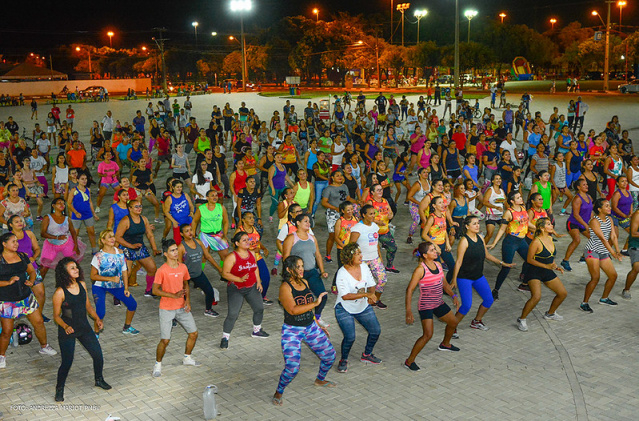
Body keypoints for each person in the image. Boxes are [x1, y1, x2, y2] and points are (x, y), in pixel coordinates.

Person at [272, 256, 336, 406]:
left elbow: (308, 310)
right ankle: (279, 391)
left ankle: (320, 380)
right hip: (292, 331)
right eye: (298, 267)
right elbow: (293, 310)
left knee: (330, 356)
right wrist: (315, 303)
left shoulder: (305, 282)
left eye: (302, 266)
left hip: (310, 327)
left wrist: (317, 324)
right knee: (292, 368)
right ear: (288, 270)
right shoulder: (285, 288)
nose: (301, 269)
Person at [52, 257, 110, 402]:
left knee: (98, 355)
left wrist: (97, 318)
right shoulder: (60, 292)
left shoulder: (82, 284)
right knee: (67, 361)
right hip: (68, 330)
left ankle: (99, 379)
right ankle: (59, 389)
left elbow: (88, 306)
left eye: (76, 266)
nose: (76, 269)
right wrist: (65, 326)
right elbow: (56, 316)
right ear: (64, 272)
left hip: (83, 327)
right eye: (72, 268)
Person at [0, 232, 58, 370]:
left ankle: (44, 346)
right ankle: (1, 355)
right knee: (7, 331)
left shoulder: (22, 256)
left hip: (26, 297)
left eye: (16, 241)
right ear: (4, 244)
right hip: (7, 300)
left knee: (38, 322)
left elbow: (31, 271)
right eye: (13, 241)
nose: (16, 243)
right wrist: (7, 282)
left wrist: (31, 281)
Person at [450, 215, 512, 335]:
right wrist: (454, 279)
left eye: (478, 223)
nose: (477, 225)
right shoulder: (464, 241)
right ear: (467, 226)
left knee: (489, 300)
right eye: (474, 224)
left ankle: (476, 321)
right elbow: (458, 262)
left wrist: (502, 263)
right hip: (465, 278)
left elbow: (487, 255)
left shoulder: (480, 238)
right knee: (467, 305)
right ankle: (452, 326)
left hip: (478, 276)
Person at [404, 241, 461, 371]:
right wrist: (408, 311)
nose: (436, 252)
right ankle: (409, 361)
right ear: (425, 255)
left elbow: (445, 284)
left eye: (434, 249)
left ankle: (445, 344)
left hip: (438, 302)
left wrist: (453, 296)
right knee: (428, 335)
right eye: (432, 250)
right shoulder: (420, 269)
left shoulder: (438, 265)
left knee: (453, 322)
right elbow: (409, 290)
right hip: (426, 305)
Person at [151, 239, 201, 378]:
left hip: (181, 307)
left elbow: (186, 284)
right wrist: (172, 295)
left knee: (193, 333)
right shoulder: (162, 271)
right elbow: (155, 290)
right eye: (172, 250)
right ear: (165, 254)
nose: (176, 252)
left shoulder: (183, 267)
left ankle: (187, 358)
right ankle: (158, 365)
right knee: (165, 340)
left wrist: (187, 301)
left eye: (176, 249)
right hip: (166, 308)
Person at [333, 242, 382, 373]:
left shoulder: (364, 267)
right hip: (344, 308)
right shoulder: (342, 273)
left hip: (362, 306)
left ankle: (367, 354)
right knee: (350, 337)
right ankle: (343, 359)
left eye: (360, 252)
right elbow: (345, 296)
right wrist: (367, 294)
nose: (361, 256)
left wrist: (371, 295)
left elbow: (372, 284)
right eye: (358, 254)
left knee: (375, 331)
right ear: (349, 257)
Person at [516, 218, 567, 332]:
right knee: (536, 297)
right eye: (549, 224)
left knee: (562, 293)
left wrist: (554, 266)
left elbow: (550, 257)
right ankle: (522, 319)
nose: (552, 225)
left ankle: (550, 313)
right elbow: (529, 260)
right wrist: (546, 266)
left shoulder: (550, 238)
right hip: (534, 272)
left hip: (547, 270)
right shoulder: (536, 242)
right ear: (542, 228)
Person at [220, 232, 269, 349]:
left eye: (248, 239)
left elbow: (255, 268)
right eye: (244, 240)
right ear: (237, 243)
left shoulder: (252, 253)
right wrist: (239, 279)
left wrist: (258, 281)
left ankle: (256, 330)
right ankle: (225, 337)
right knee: (233, 314)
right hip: (236, 288)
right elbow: (225, 274)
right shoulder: (232, 257)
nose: (248, 242)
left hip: (251, 286)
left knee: (259, 308)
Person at [282, 214, 330, 327]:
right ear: (298, 223)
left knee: (322, 296)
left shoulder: (312, 238)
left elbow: (318, 255)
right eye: (305, 221)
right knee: (302, 299)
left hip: (312, 272)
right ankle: (302, 320)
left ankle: (317, 317)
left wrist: (322, 271)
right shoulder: (291, 238)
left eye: (309, 221)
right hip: (298, 275)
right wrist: (290, 274)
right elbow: (286, 257)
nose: (309, 223)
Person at [91, 230, 139, 335]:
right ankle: (95, 333)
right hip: (99, 286)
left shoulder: (120, 253)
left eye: (113, 236)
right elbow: (93, 276)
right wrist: (110, 279)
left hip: (117, 285)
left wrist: (126, 288)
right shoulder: (98, 256)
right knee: (100, 312)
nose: (113, 239)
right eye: (109, 237)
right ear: (103, 241)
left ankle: (127, 327)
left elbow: (124, 271)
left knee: (132, 304)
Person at [580, 199, 622, 313]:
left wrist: (618, 251)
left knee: (613, 276)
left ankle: (604, 298)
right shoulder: (594, 221)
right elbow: (603, 238)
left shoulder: (609, 219)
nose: (609, 208)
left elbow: (613, 236)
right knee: (595, 278)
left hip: (603, 250)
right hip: (592, 250)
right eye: (607, 206)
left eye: (609, 206)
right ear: (599, 209)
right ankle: (584, 303)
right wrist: (613, 253)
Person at [488, 192, 529, 300]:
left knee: (530, 261)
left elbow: (526, 223)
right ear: (512, 201)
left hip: (522, 241)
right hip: (511, 242)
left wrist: (540, 228)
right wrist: (494, 243)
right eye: (518, 197)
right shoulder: (509, 213)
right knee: (506, 267)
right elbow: (502, 229)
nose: (521, 198)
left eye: (521, 196)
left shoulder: (523, 208)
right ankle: (496, 290)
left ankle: (524, 284)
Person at [115, 200, 161, 297]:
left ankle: (149, 290)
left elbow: (149, 234)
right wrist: (131, 246)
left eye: (140, 206)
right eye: (136, 207)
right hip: (126, 248)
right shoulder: (125, 221)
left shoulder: (144, 219)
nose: (139, 208)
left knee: (152, 268)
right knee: (127, 273)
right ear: (130, 208)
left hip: (139, 247)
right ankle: (118, 294)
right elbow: (117, 237)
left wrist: (154, 248)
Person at [177, 224, 222, 317]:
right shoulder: (181, 247)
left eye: (191, 230)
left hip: (198, 273)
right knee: (183, 295)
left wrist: (219, 269)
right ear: (182, 234)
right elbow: (179, 264)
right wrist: (181, 279)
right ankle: (179, 314)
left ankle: (208, 309)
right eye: (187, 231)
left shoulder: (198, 242)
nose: (190, 233)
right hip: (186, 275)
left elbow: (208, 256)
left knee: (209, 291)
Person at [350, 205, 389, 309]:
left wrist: (380, 257)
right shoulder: (357, 228)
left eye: (374, 213)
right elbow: (351, 246)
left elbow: (376, 243)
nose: (373, 216)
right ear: (363, 215)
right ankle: (360, 305)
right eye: (370, 214)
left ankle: (375, 300)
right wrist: (353, 262)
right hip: (361, 261)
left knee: (382, 280)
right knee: (361, 285)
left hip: (374, 258)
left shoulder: (375, 226)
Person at [561, 179, 594, 271]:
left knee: (594, 238)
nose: (586, 186)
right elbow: (576, 215)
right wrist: (586, 225)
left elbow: (590, 211)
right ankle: (565, 260)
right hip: (573, 223)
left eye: (586, 184)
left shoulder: (589, 197)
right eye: (584, 185)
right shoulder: (577, 199)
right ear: (578, 187)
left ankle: (584, 257)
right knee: (577, 240)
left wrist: (593, 221)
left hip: (583, 224)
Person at [191, 189, 230, 262]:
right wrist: (193, 233)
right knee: (203, 257)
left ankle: (224, 272)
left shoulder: (221, 207)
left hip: (218, 234)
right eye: (212, 196)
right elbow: (195, 221)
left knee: (224, 256)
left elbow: (226, 222)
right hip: (205, 235)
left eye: (216, 195)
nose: (215, 197)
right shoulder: (201, 208)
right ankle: (199, 273)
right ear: (207, 198)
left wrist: (225, 234)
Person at [67, 173, 99, 254]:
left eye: (85, 179)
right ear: (77, 180)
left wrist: (94, 214)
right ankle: (73, 250)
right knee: (75, 234)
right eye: (82, 179)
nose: (84, 181)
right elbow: (69, 203)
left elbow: (90, 202)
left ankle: (94, 249)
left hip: (87, 214)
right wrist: (75, 212)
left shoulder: (88, 190)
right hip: (76, 215)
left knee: (91, 232)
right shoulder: (74, 190)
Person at [163, 180, 194, 245]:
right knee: (177, 242)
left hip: (188, 221)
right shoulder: (169, 199)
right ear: (173, 187)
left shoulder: (185, 195)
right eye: (177, 187)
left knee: (190, 239)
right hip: (177, 223)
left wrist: (191, 212)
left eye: (181, 187)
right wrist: (173, 221)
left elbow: (191, 206)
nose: (179, 188)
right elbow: (166, 212)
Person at [132, 158, 161, 222]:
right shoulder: (136, 172)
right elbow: (133, 181)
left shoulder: (148, 171)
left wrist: (149, 183)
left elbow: (151, 180)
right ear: (138, 163)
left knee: (156, 204)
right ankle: (138, 220)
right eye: (142, 162)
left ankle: (157, 218)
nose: (143, 163)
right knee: (138, 206)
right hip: (138, 190)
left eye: (144, 161)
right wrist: (135, 184)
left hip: (146, 189)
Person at [406, 168, 430, 244]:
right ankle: (410, 236)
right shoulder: (417, 184)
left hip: (425, 205)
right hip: (415, 205)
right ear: (419, 174)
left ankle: (425, 235)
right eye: (424, 172)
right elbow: (409, 196)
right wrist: (419, 203)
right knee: (417, 220)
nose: (426, 174)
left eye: (427, 172)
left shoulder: (429, 182)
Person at [623, 208, 639, 299]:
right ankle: (626, 289)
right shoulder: (637, 215)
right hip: (636, 244)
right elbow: (633, 233)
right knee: (636, 268)